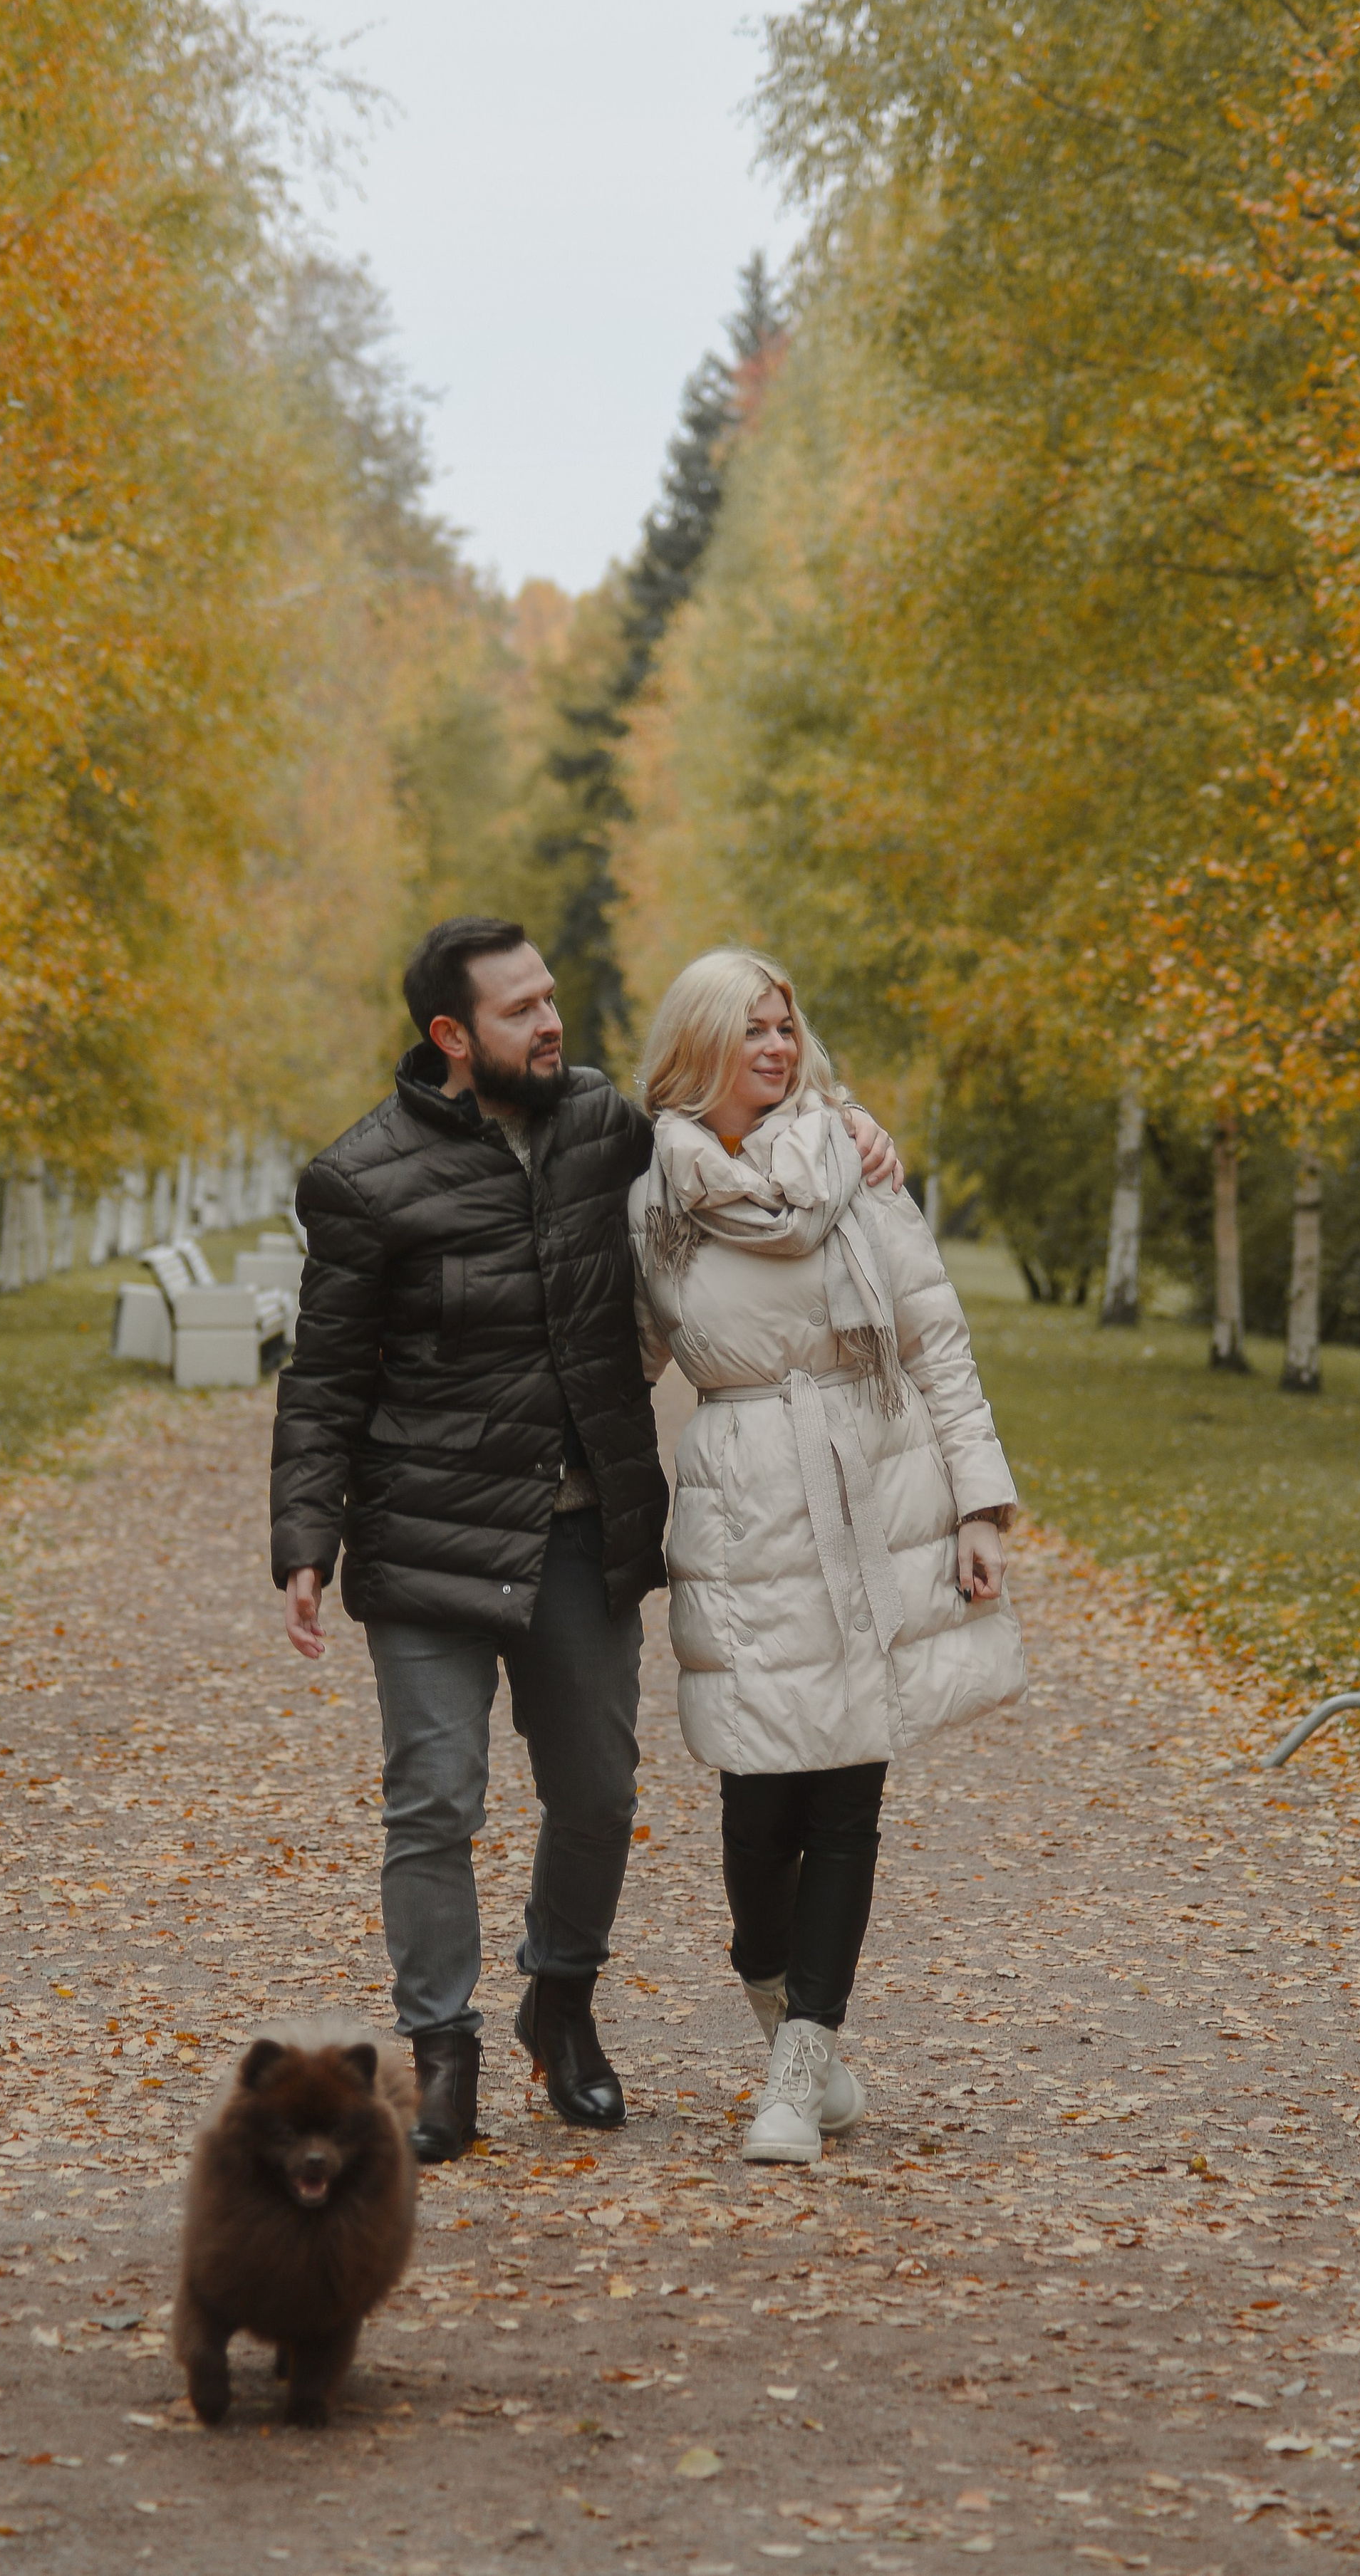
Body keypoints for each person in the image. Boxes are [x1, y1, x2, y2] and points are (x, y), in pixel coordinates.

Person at [270, 917, 902, 2164]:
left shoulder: (607, 1129)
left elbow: (733, 1110)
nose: (551, 1022)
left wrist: (852, 1116)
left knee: (601, 1795)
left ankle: (560, 2001)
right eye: (521, 1009)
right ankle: (441, 2046)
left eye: (552, 997)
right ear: (452, 1036)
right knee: (434, 1802)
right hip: (425, 1541)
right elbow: (324, 1376)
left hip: (577, 1531)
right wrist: (305, 1535)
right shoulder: (362, 1177)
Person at [628, 949, 1027, 2164]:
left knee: (850, 1791)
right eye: (751, 1029)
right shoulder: (658, 1203)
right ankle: (777, 1999)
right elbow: (621, 1365)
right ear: (700, 1046)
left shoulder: (853, 1162)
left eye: (786, 1025)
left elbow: (938, 1340)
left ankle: (800, 2068)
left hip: (873, 1479)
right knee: (756, 1809)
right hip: (746, 1499)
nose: (777, 1047)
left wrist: (978, 1506)